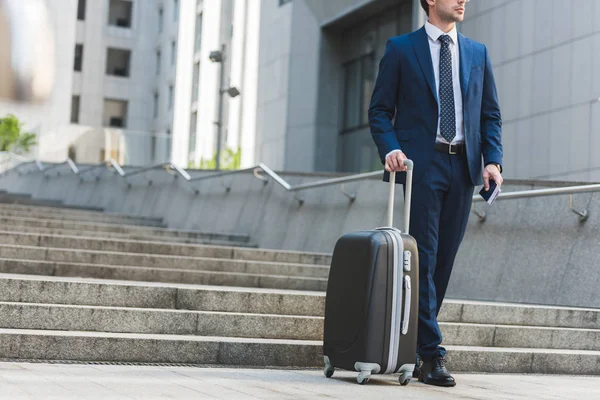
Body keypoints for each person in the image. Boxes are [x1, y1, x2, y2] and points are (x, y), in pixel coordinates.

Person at [368, 0, 503, 387]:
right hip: (419, 167)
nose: (463, 0)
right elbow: (380, 111)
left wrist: (492, 161)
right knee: (424, 258)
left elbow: (490, 114)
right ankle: (432, 354)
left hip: (462, 168)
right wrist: (391, 148)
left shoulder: (477, 53)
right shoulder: (401, 49)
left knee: (442, 261)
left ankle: (414, 342)